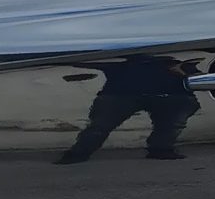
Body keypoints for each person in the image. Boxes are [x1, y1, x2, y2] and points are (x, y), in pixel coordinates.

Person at [56, 55, 199, 163]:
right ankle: (78, 153)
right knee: (100, 125)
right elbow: (86, 62)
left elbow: (196, 75)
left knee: (172, 123)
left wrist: (182, 70)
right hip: (122, 93)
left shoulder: (176, 59)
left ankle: (161, 149)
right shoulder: (118, 54)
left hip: (167, 94)